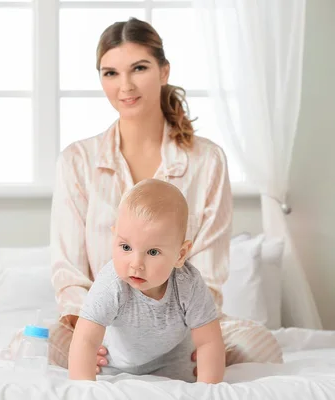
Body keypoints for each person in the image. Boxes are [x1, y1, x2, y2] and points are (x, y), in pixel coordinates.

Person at [49, 16, 283, 374]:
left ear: (163, 71)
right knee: (34, 344)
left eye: (138, 68)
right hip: (102, 322)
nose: (124, 85)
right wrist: (87, 331)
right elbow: (69, 272)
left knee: (259, 344)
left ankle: (171, 362)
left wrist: (193, 333)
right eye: (110, 73)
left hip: (185, 322)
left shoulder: (207, 160)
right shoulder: (77, 161)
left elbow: (208, 270)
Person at [68, 179, 225, 383]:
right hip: (115, 368)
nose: (136, 263)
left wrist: (208, 388)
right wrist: (83, 388)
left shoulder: (189, 284)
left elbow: (208, 341)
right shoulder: (111, 284)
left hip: (175, 370)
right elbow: (86, 339)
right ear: (114, 237)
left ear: (180, 254)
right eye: (125, 247)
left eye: (153, 252)